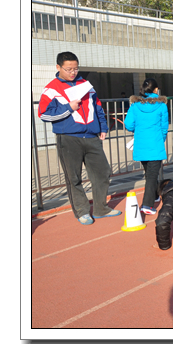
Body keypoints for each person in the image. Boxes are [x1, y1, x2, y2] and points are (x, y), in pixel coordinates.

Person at [38, 51, 121, 225]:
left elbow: (97, 106)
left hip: (91, 136)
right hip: (68, 138)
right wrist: (68, 107)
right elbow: (44, 114)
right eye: (69, 69)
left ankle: (100, 208)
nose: (73, 72)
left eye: (76, 68)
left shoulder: (86, 84)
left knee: (102, 172)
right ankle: (82, 211)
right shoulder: (52, 88)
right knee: (73, 177)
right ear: (58, 67)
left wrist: (103, 127)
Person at [123, 78, 168, 214]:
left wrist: (138, 128)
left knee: (149, 173)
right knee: (152, 176)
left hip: (141, 144)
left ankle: (154, 196)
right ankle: (146, 205)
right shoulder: (161, 105)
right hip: (155, 143)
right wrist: (161, 139)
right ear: (155, 90)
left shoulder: (135, 105)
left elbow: (129, 124)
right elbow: (164, 127)